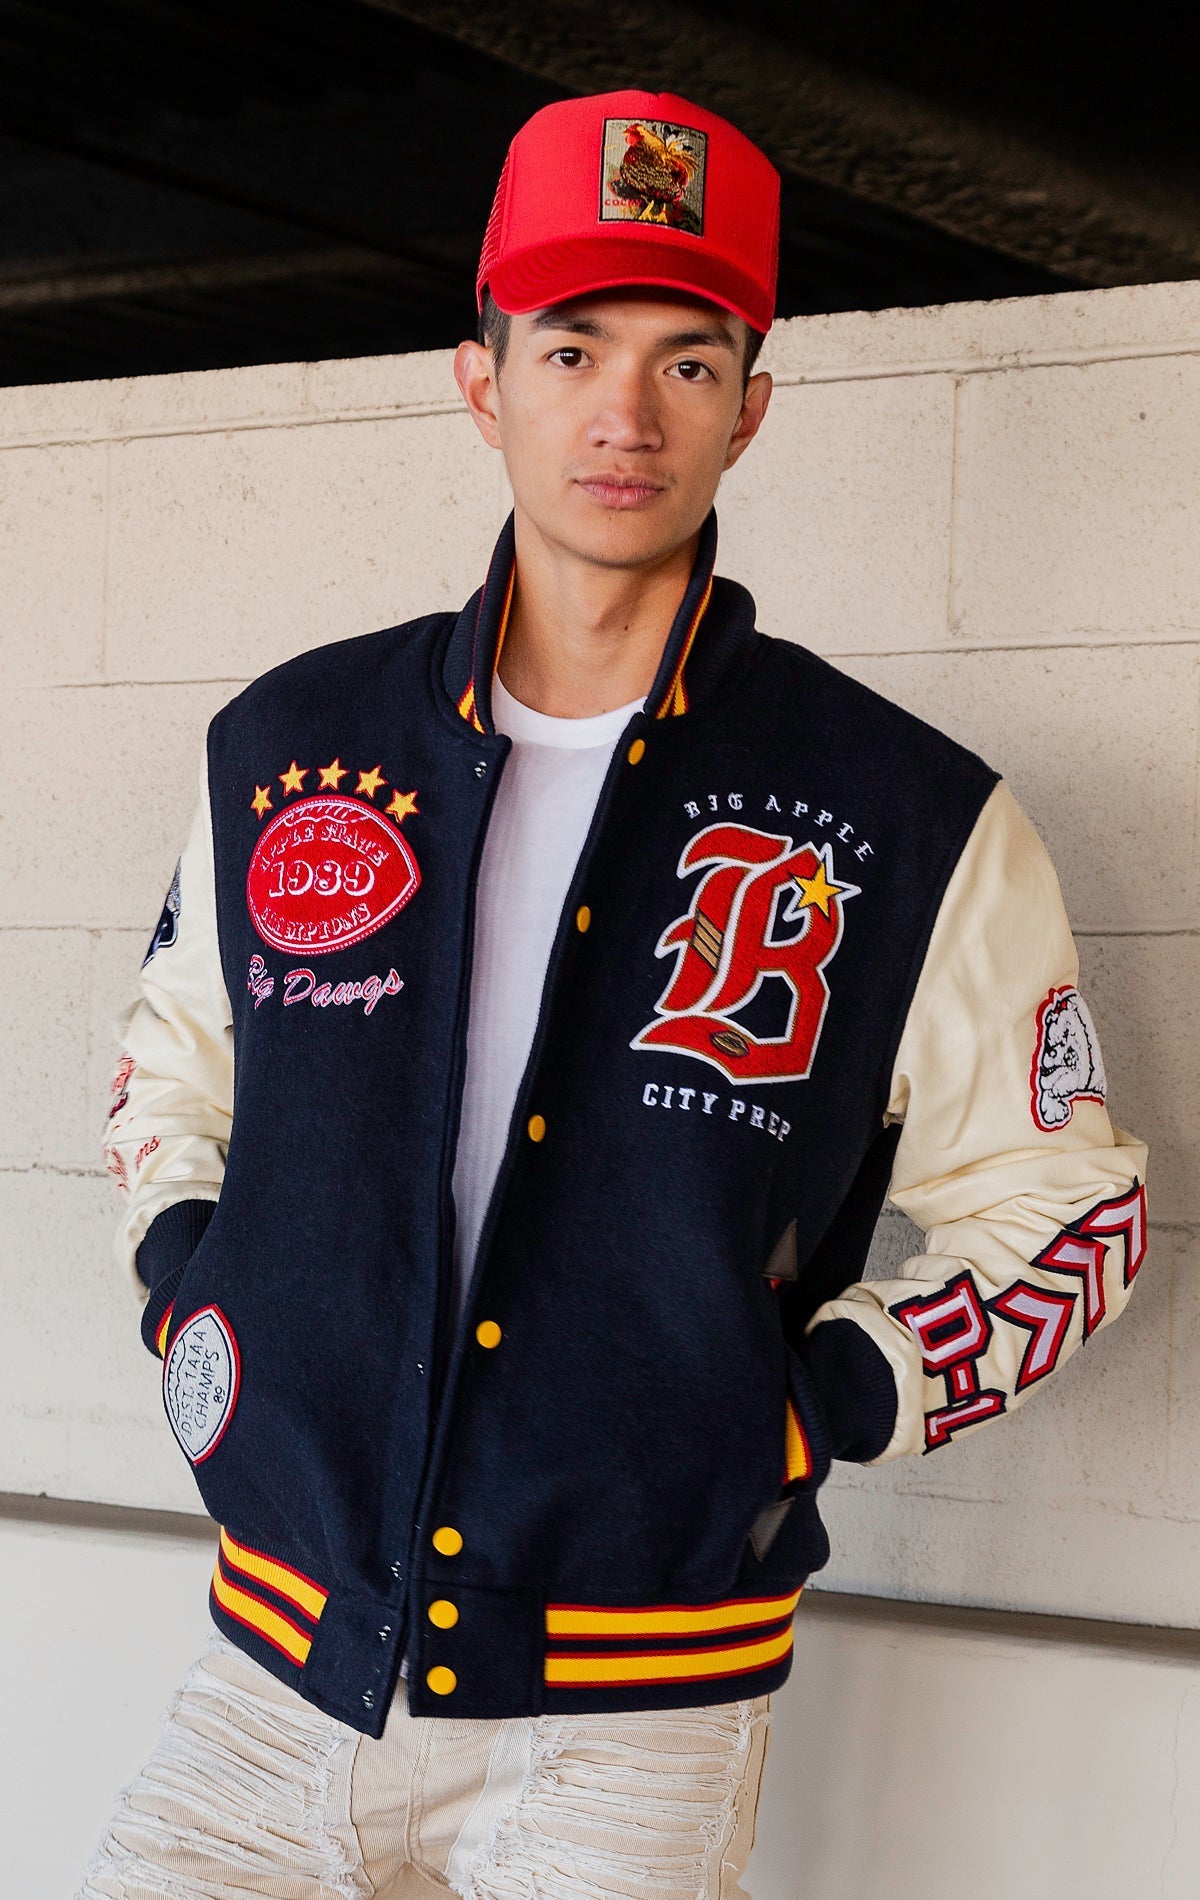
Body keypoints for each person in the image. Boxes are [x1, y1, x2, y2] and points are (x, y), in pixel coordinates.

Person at [83, 88, 1148, 1899]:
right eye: (572, 347)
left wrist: (823, 1396)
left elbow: (1077, 1214)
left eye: (686, 357)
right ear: (482, 379)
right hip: (273, 1679)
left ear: (753, 399)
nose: (624, 413)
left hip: (630, 1736)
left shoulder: (907, 814)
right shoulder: (293, 748)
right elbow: (171, 1072)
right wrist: (195, 1291)